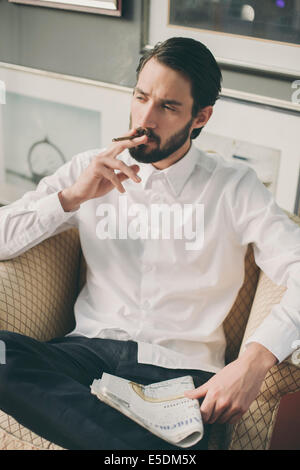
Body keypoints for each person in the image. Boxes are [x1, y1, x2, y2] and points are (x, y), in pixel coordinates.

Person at [0, 37, 299, 451]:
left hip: (180, 376)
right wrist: (71, 198)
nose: (145, 118)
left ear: (201, 116)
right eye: (141, 97)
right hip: (86, 356)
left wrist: (253, 360)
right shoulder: (88, 169)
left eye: (168, 107)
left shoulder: (235, 187)